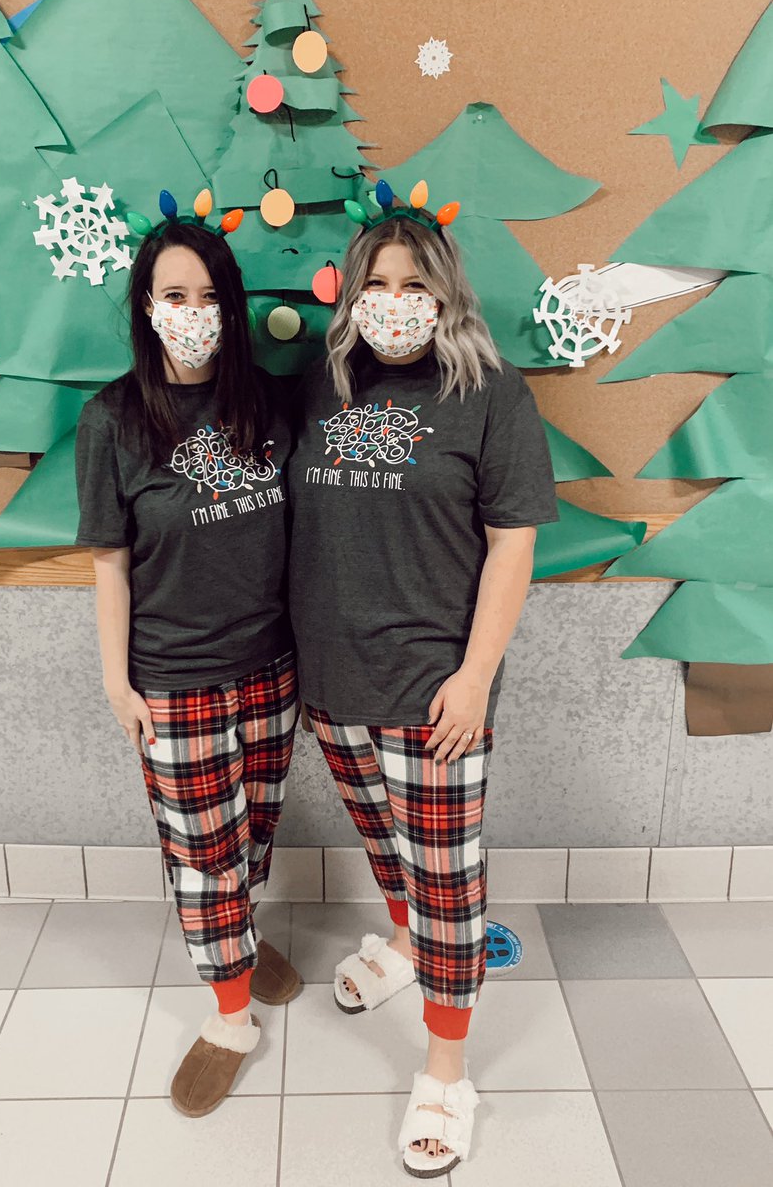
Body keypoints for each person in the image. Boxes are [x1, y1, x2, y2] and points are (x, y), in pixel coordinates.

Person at [287, 182, 558, 1177]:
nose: (392, 298)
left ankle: (447, 1072)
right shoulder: (318, 387)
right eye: (376, 281)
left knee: (447, 885)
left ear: (444, 295)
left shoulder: (491, 393)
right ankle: (403, 947)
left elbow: (513, 546)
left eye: (412, 282)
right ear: (352, 293)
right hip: (332, 680)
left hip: (436, 691)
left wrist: (478, 676)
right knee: (382, 842)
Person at [74, 194, 300, 1120]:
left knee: (250, 839)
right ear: (145, 304)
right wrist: (116, 679)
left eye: (209, 294)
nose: (192, 311)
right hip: (173, 680)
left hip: (273, 671)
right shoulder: (113, 419)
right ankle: (230, 1015)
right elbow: (109, 563)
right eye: (174, 293)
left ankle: (238, 939)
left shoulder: (269, 406)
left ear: (230, 304)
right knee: (201, 857)